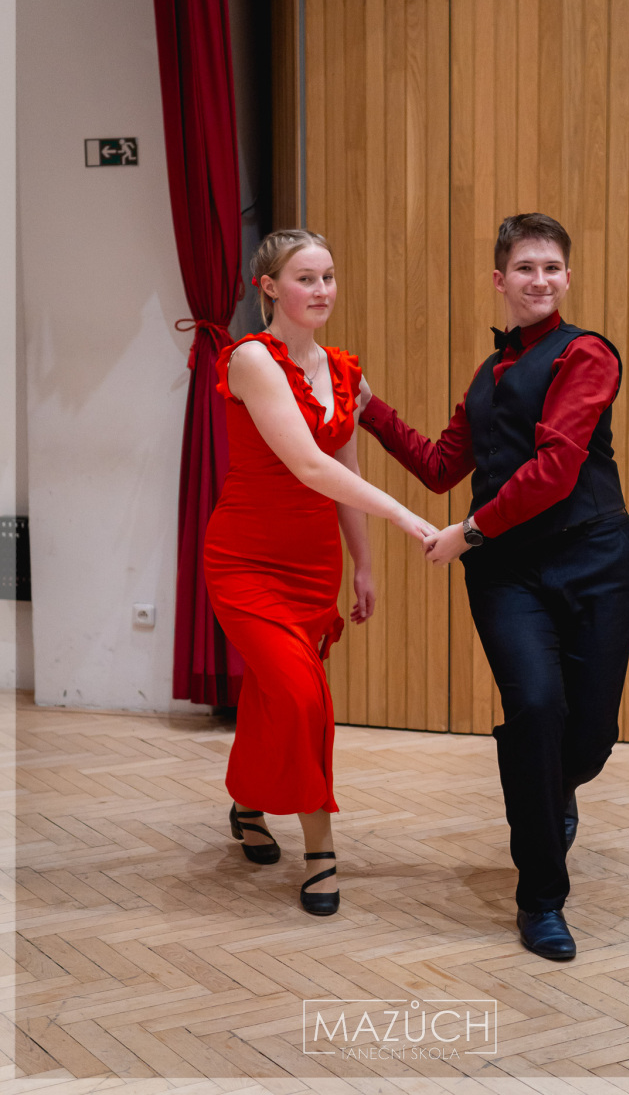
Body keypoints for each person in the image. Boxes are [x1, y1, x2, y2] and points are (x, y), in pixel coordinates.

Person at [359, 213, 629, 959]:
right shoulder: (488, 375)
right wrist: (369, 410)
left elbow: (555, 471)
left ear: (567, 277)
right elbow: (440, 466)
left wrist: (470, 530)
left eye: (550, 267)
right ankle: (541, 897)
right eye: (524, 267)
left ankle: (553, 789)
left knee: (589, 740)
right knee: (536, 710)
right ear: (499, 279)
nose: (538, 279)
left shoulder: (586, 354)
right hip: (508, 573)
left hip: (595, 560)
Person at [204, 229, 436, 916]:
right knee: (303, 697)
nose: (322, 290)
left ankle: (248, 805)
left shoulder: (342, 370)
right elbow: (309, 465)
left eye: (328, 277)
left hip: (312, 565)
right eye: (305, 278)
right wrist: (405, 516)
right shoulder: (252, 359)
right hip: (246, 562)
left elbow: (345, 467)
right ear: (269, 288)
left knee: (276, 694)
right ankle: (321, 853)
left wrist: (364, 562)